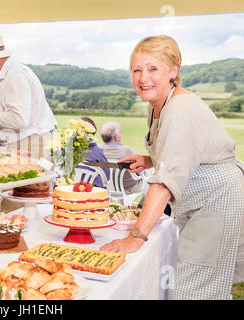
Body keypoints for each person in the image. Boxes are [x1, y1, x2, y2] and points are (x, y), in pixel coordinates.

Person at [100, 35, 244, 300]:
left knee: (195, 290)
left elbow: (164, 184)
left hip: (215, 203)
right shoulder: (159, 104)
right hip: (203, 202)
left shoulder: (180, 109)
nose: (143, 78)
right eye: (137, 69)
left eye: (153, 68)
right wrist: (151, 160)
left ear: (173, 71)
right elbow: (186, 151)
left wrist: (135, 238)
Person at [0, 31, 57, 160]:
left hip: (29, 144)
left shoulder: (14, 75)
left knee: (34, 181)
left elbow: (18, 119)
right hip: (26, 143)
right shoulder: (6, 75)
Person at [99, 121, 143, 193]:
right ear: (116, 137)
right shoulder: (128, 151)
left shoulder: (98, 150)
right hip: (128, 189)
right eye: (120, 132)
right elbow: (139, 171)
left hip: (107, 188)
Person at [76, 117, 109, 187]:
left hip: (70, 191)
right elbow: (107, 176)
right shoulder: (98, 153)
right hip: (94, 192)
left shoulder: (67, 152)